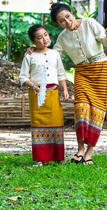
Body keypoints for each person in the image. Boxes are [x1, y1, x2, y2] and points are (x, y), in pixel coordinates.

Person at [50, 3, 107, 166]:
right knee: (80, 109)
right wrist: (35, 50)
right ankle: (80, 149)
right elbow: (53, 56)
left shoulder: (89, 22)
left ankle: (89, 153)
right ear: (58, 24)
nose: (67, 22)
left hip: (101, 69)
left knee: (97, 112)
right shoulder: (62, 37)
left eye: (67, 16)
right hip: (82, 73)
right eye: (61, 21)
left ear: (72, 13)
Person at [19, 24, 69, 167]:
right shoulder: (29, 56)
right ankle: (40, 158)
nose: (44, 39)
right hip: (36, 95)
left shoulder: (55, 54)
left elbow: (61, 73)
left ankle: (58, 157)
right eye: (39, 38)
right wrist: (33, 85)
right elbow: (22, 77)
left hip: (53, 94)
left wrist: (64, 89)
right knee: (39, 125)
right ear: (33, 42)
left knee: (56, 122)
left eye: (45, 35)